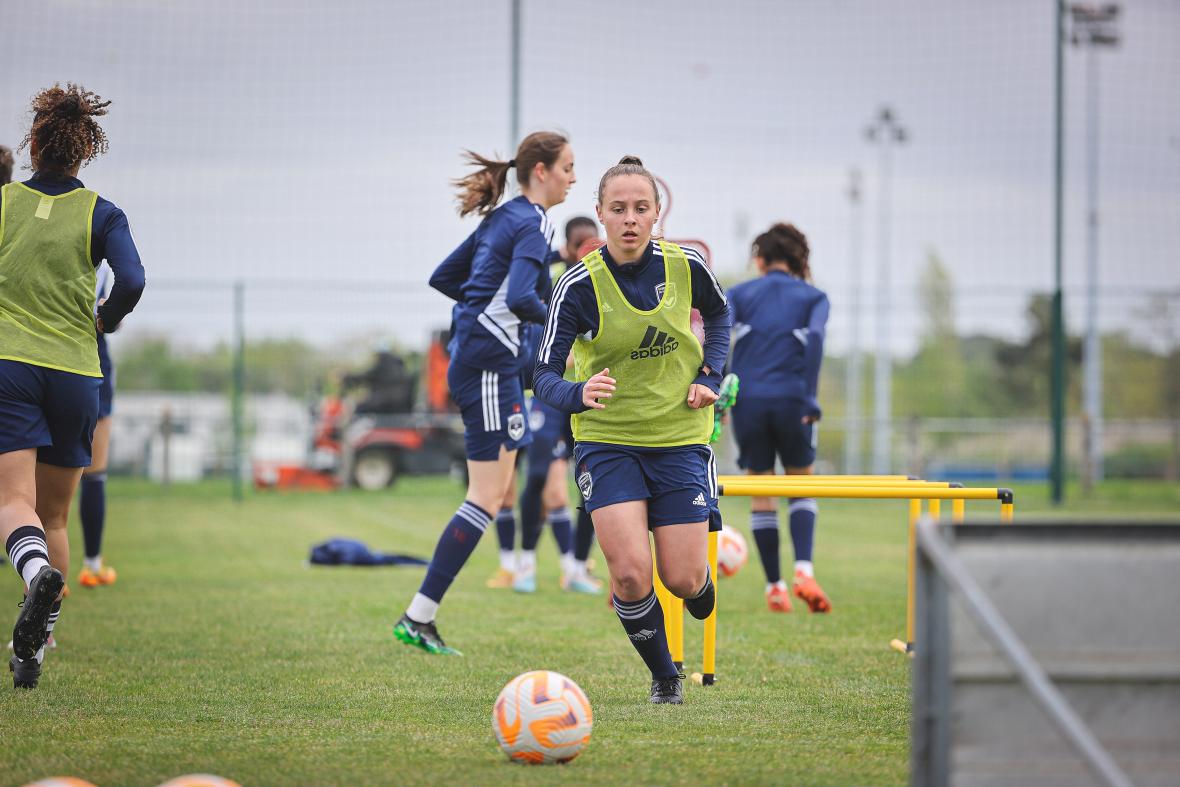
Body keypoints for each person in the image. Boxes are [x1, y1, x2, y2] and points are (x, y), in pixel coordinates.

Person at [534, 156, 731, 704]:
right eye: (617, 209)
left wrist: (712, 372)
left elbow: (720, 315)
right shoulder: (578, 285)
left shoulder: (686, 266)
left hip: (679, 437)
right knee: (628, 576)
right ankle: (665, 675)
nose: (629, 219)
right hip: (609, 442)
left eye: (640, 208)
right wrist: (577, 393)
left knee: (683, 579)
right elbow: (543, 375)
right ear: (600, 214)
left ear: (656, 214)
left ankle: (700, 584)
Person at [392, 131, 575, 655]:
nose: (573, 177)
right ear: (540, 171)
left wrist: (479, 311)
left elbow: (446, 277)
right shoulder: (533, 221)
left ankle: (420, 616)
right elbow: (519, 296)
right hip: (490, 369)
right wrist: (565, 318)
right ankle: (417, 616)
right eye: (567, 167)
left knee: (494, 495)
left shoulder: (504, 217)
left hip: (485, 362)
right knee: (487, 497)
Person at [0, 84, 145, 688]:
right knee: (56, 518)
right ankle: (36, 646)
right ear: (84, 151)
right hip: (79, 373)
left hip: (9, 366)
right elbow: (132, 280)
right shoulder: (101, 212)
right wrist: (103, 320)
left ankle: (35, 579)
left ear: (34, 142)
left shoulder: (2, 201)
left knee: (13, 503)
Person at [727, 223, 831, 614]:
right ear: (799, 260)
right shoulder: (815, 297)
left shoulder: (738, 293)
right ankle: (804, 570)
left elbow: (716, 332)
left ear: (759, 259)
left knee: (761, 491)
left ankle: (775, 586)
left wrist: (718, 383)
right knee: (801, 485)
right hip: (793, 400)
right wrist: (809, 395)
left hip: (748, 402)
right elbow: (817, 339)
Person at [514, 217, 602, 594]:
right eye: (580, 245)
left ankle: (577, 567)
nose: (586, 250)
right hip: (547, 394)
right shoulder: (549, 273)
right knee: (538, 478)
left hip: (587, 394)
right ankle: (525, 563)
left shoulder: (604, 275)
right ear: (568, 246)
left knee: (591, 485)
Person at [77, 262, 119, 589]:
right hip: (90, 361)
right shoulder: (103, 252)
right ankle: (91, 563)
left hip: (36, 356)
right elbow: (110, 314)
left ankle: (38, 569)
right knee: (94, 470)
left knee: (35, 472)